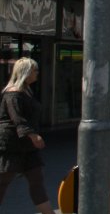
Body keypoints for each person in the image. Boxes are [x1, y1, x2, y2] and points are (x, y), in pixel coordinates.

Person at [0, 58, 55, 213]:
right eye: (34, 70)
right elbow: (17, 118)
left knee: (36, 181)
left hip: (27, 148)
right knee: (3, 182)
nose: (37, 73)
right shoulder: (13, 93)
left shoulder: (26, 91)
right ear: (25, 72)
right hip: (11, 145)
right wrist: (32, 135)